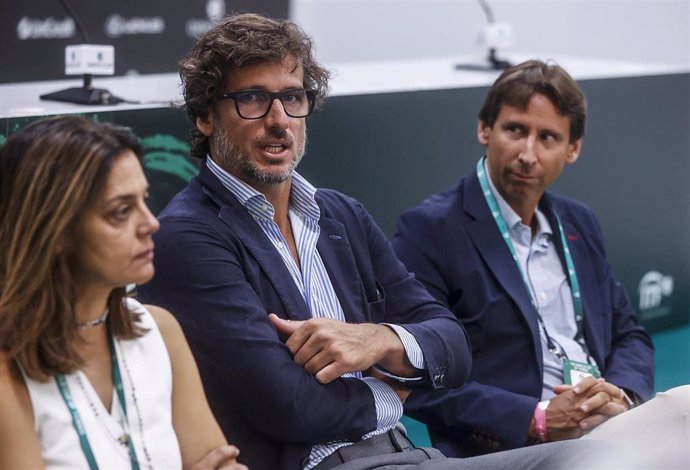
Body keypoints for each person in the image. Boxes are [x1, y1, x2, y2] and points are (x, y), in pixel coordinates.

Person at [137, 13, 588, 470]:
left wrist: (379, 340)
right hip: (323, 464)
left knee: (611, 452)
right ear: (205, 116)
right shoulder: (187, 235)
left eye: (293, 97)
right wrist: (394, 392)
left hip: (409, 455)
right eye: (252, 99)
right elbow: (290, 406)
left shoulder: (339, 214)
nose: (279, 121)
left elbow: (453, 346)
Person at [391, 59, 655, 458]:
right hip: (518, 448)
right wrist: (537, 419)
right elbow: (419, 379)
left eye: (548, 138)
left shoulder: (579, 222)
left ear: (573, 149)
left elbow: (628, 334)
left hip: (609, 427)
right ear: (485, 129)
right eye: (515, 130)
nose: (528, 154)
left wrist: (621, 398)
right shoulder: (430, 230)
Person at [0, 116, 247, 470]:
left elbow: (220, 463)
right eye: (121, 212)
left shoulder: (159, 330)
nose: (151, 223)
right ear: (53, 231)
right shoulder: (8, 367)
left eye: (144, 201)